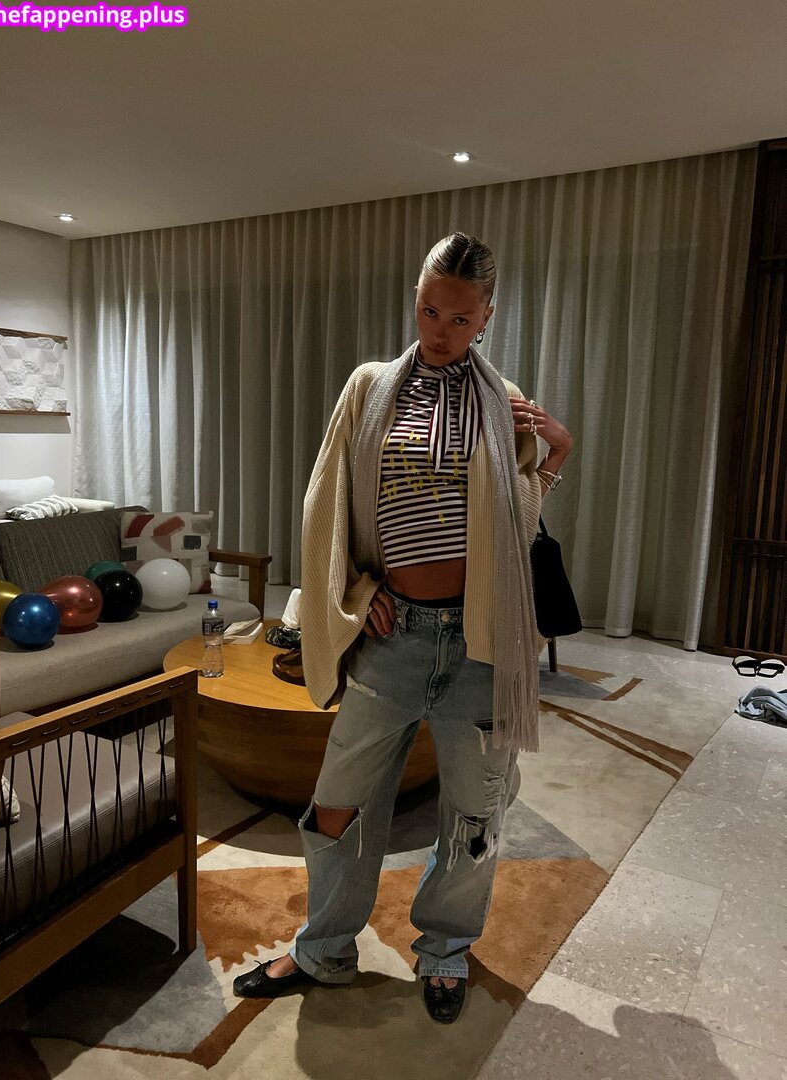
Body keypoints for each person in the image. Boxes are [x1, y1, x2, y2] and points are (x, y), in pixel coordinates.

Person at [233, 233, 573, 1023]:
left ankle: (445, 948)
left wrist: (555, 452)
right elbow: (329, 506)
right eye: (429, 310)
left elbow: (516, 525)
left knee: (475, 813)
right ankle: (323, 949)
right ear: (415, 299)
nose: (440, 330)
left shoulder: (502, 400)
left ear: (486, 317)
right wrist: (357, 590)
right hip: (392, 639)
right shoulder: (369, 388)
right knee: (338, 802)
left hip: (480, 645)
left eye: (460, 318)